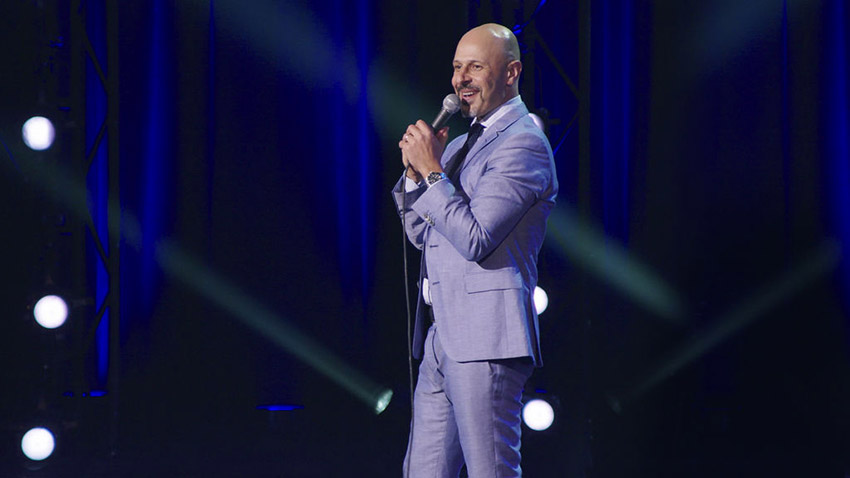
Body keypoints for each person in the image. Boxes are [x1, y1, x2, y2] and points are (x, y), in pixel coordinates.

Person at [391, 23, 558, 477]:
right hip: (441, 337)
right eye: (456, 67)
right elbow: (420, 234)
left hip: (487, 340)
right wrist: (415, 176)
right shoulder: (462, 145)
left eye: (475, 67)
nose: (460, 79)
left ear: (511, 73)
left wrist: (432, 173)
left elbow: (476, 238)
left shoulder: (524, 143)